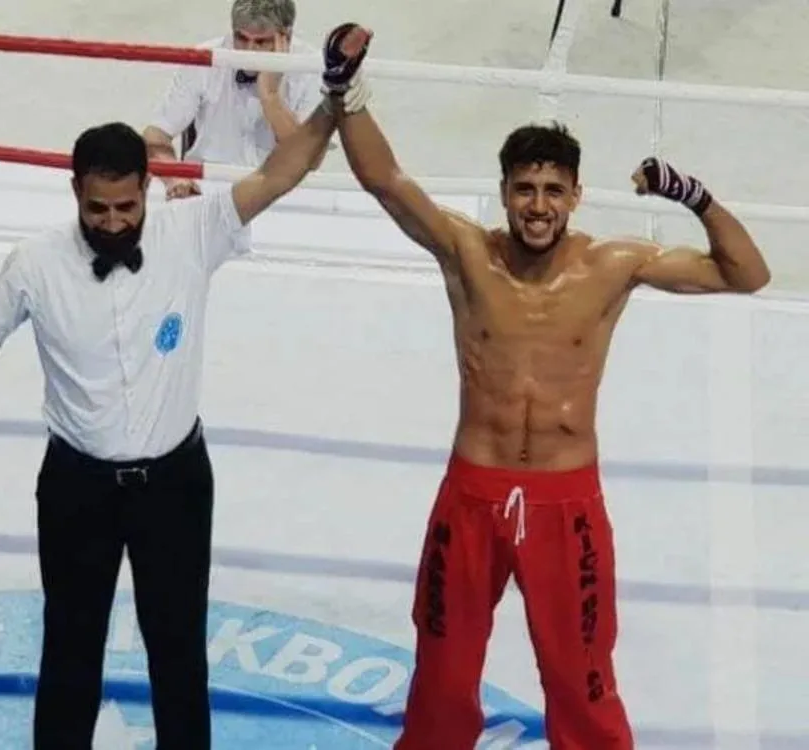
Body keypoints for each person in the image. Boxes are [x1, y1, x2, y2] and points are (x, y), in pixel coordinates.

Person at [0, 25, 371, 748]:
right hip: (76, 487)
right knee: (69, 649)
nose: (113, 223)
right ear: (74, 192)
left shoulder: (192, 230)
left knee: (179, 652)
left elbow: (281, 171)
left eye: (126, 207)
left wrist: (332, 99)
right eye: (97, 209)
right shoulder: (35, 263)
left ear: (147, 187)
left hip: (175, 485)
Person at [327, 43, 772, 750]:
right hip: (472, 494)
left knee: (581, 674)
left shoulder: (613, 265)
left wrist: (693, 196)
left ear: (575, 195)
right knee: (442, 670)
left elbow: (747, 274)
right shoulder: (467, 252)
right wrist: (344, 89)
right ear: (504, 192)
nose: (538, 206)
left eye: (553, 190)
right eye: (525, 189)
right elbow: (384, 179)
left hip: (566, 503)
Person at [142, 0, 324, 201]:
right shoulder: (204, 58)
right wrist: (175, 178)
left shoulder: (311, 68)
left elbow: (312, 159)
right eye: (241, 38)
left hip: (282, 190)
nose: (248, 50)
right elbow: (155, 136)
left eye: (261, 42)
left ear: (286, 37)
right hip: (207, 188)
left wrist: (270, 96)